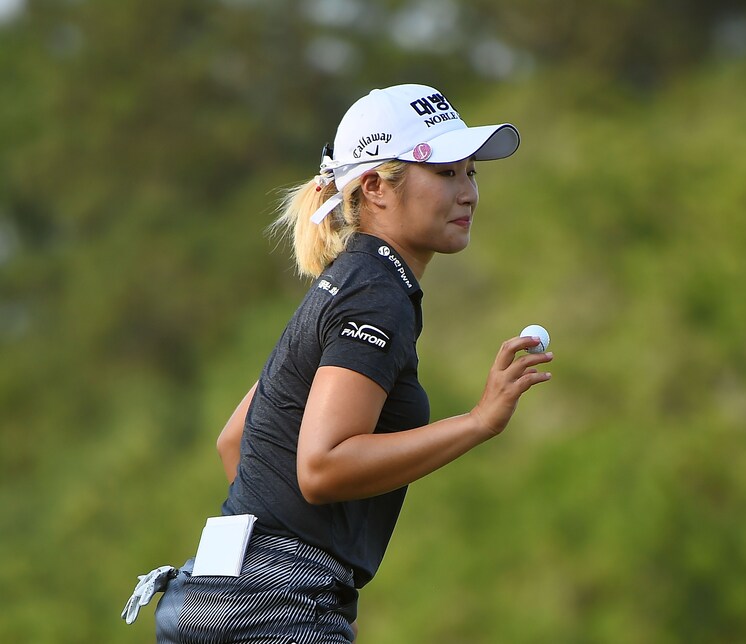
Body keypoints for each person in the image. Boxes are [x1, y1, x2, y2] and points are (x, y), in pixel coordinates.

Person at [121, 83, 553, 643]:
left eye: (472, 172)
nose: (468, 191)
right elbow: (321, 466)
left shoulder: (348, 280)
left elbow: (237, 442)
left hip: (214, 596)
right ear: (374, 187)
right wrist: (478, 421)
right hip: (274, 608)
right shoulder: (376, 292)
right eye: (446, 173)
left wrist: (293, 561)